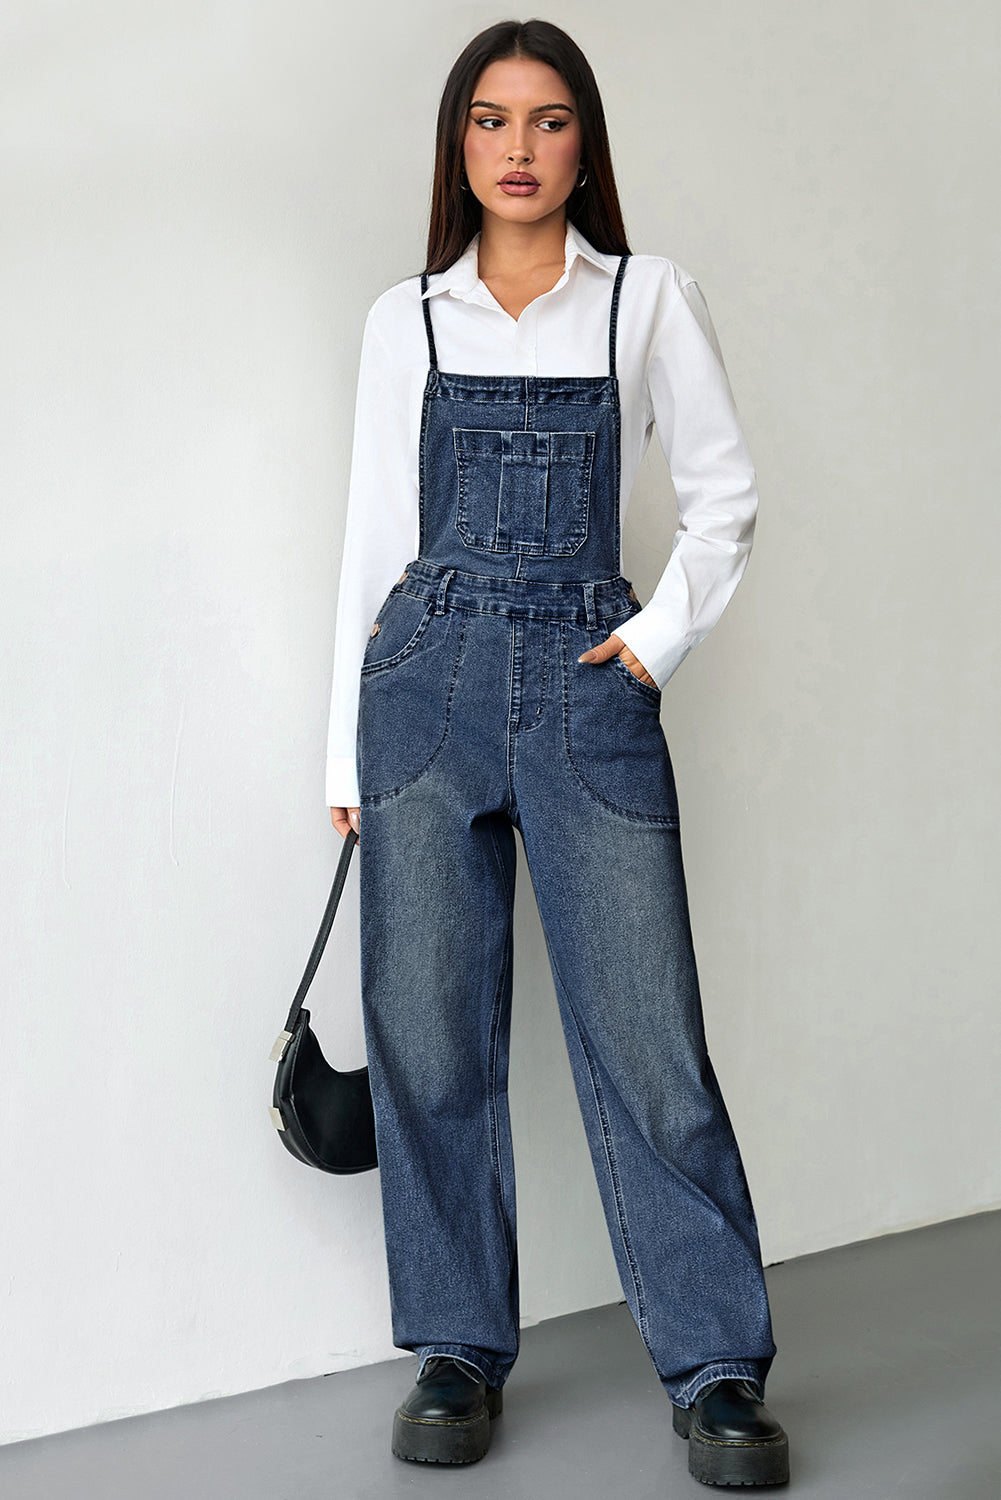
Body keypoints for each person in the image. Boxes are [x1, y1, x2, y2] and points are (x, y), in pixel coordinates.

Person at [325, 18, 790, 1489]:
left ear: (584, 143)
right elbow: (372, 547)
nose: (517, 149)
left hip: (590, 692)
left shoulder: (646, 298)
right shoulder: (404, 317)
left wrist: (653, 644)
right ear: (456, 145)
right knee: (427, 1036)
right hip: (424, 690)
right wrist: (342, 758)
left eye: (545, 120)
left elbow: (722, 499)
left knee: (649, 1042)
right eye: (489, 120)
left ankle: (716, 1367)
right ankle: (456, 1349)